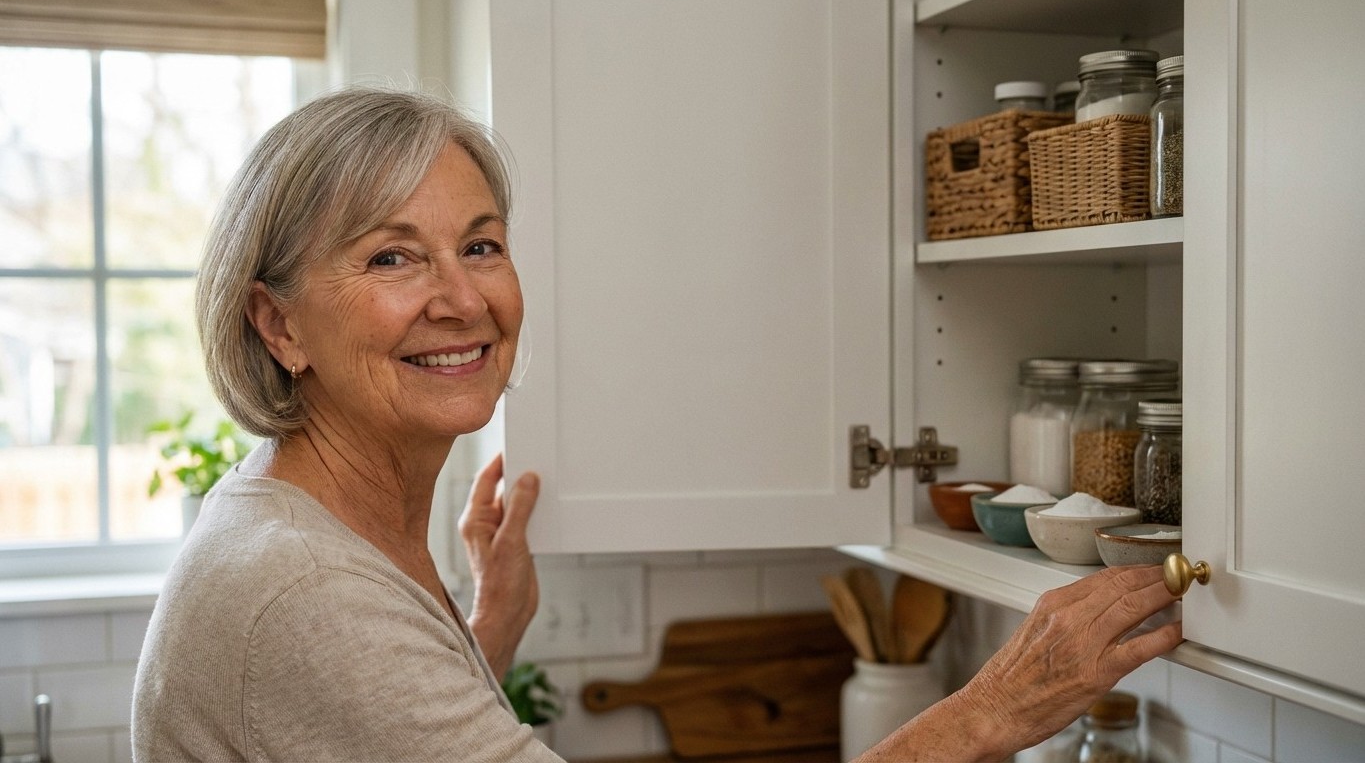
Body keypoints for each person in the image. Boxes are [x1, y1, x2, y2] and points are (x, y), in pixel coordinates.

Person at [131, 87, 1181, 762]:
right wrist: (994, 711)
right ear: (278, 323)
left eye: (482, 245)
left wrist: (481, 637)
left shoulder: (311, 531)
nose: (464, 298)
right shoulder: (306, 588)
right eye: (392, 257)